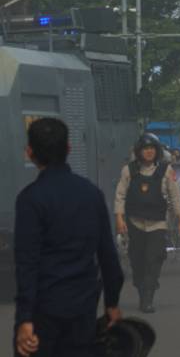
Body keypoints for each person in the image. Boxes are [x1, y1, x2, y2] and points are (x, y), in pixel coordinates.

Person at [14, 118, 124, 357]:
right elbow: (108, 256)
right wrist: (112, 303)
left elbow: (27, 264)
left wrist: (24, 319)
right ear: (69, 150)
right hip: (83, 310)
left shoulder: (30, 200)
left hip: (42, 314)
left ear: (29, 152)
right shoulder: (92, 194)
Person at [114, 134, 180, 313]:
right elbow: (120, 196)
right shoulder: (128, 170)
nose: (149, 152)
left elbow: (175, 196)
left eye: (152, 148)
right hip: (135, 223)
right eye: (145, 149)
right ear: (139, 151)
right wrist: (119, 218)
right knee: (137, 261)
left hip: (157, 224)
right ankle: (142, 290)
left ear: (157, 151)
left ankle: (148, 299)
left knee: (154, 259)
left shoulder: (166, 170)